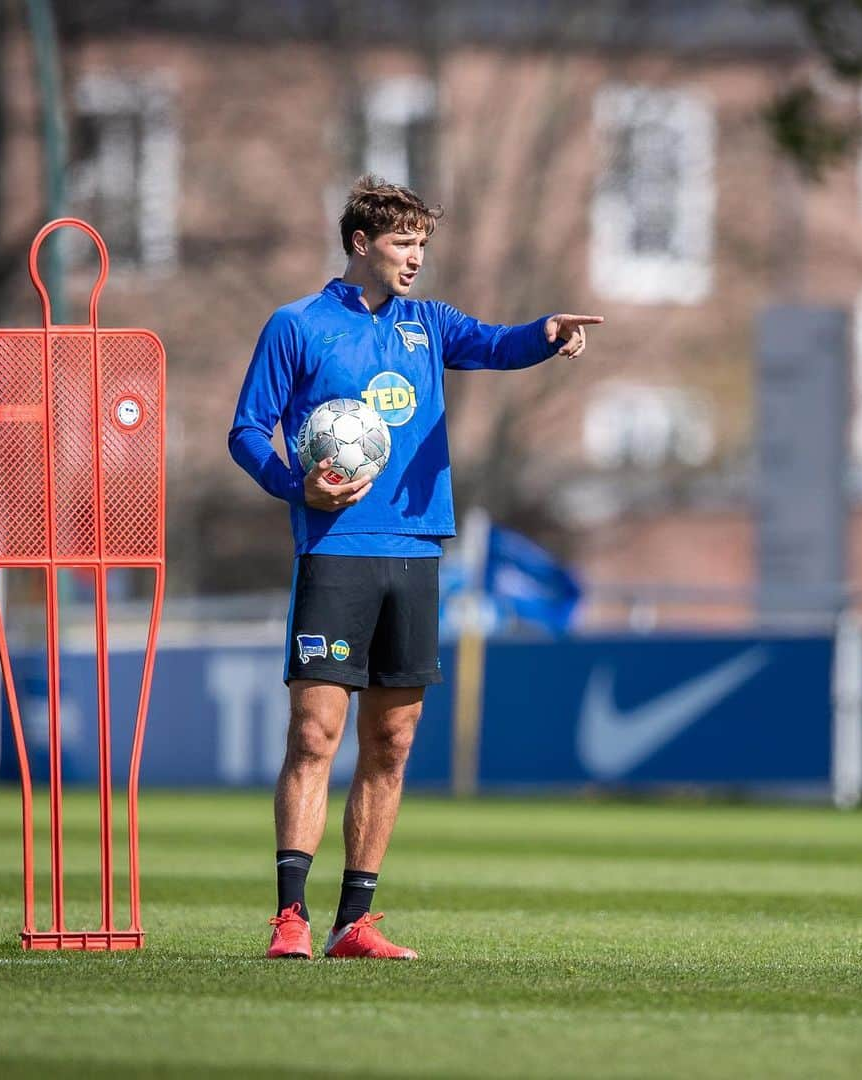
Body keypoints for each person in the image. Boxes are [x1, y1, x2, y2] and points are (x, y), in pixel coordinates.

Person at [228, 175, 602, 960]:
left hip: (417, 551)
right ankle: (289, 918)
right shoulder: (296, 326)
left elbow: (498, 344)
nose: (415, 259)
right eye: (403, 244)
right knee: (314, 733)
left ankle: (353, 923)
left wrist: (547, 332)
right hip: (336, 552)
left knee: (392, 742)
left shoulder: (428, 325)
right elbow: (248, 430)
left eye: (423, 246)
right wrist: (296, 485)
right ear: (360, 244)